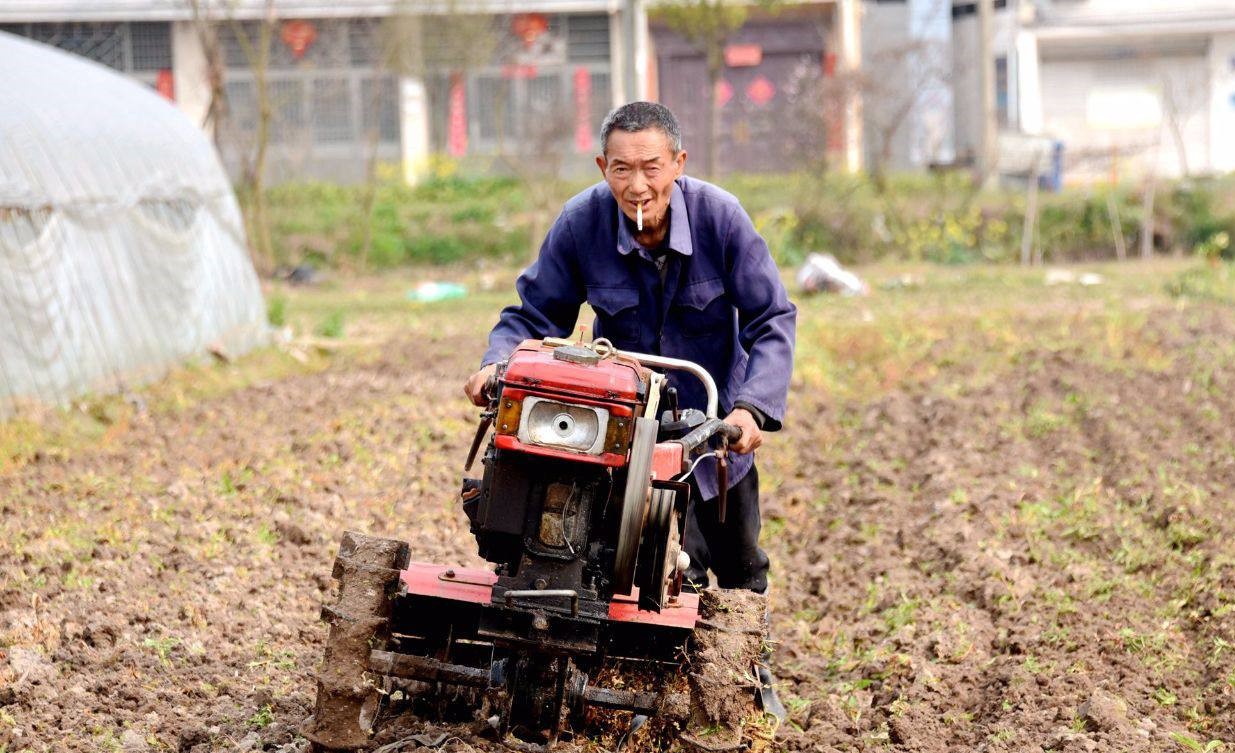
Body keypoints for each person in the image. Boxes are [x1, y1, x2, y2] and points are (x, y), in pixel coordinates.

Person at [464, 101, 796, 596]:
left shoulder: (720, 220)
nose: (636, 186)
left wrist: (752, 410)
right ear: (603, 168)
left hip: (713, 435)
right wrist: (497, 364)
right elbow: (534, 315)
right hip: (618, 433)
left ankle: (748, 672)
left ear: (678, 164)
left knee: (741, 573)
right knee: (647, 574)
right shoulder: (581, 224)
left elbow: (771, 318)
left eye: (651, 168)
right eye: (621, 169)